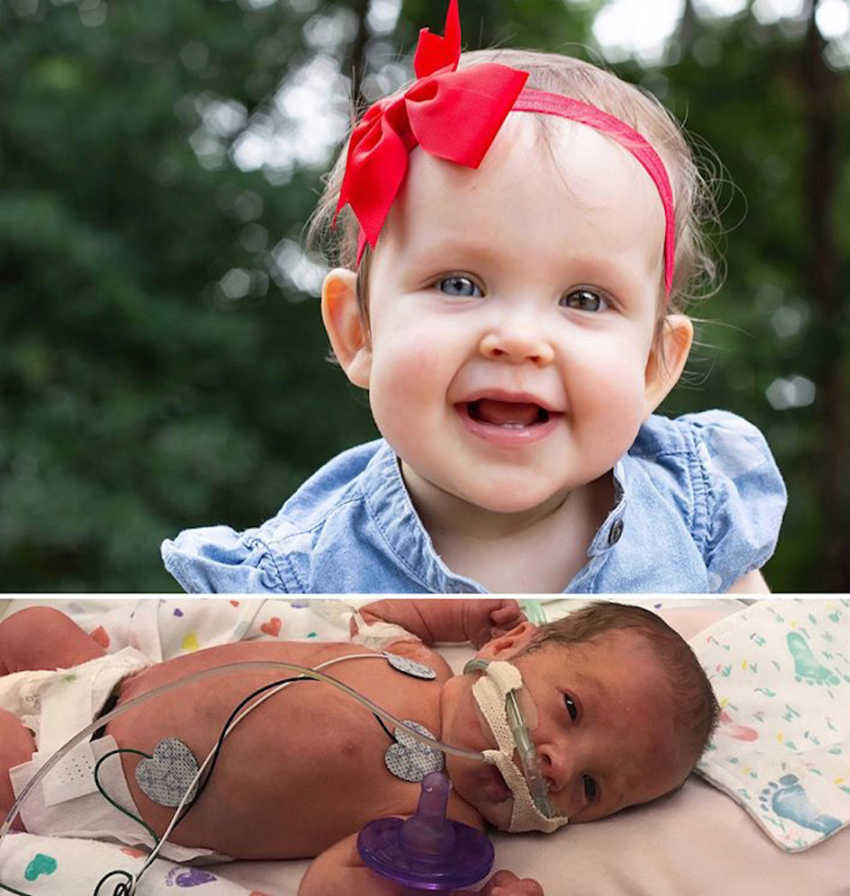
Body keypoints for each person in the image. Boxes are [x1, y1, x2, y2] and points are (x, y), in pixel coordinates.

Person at [161, 0, 786, 594]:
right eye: (460, 285)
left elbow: (789, 691)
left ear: (654, 365)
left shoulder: (696, 512)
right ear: (359, 331)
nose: (518, 338)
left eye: (585, 299)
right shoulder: (299, 577)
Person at [0, 599, 719, 896]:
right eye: (569, 709)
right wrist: (460, 613)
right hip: (107, 681)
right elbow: (373, 613)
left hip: (93, 789)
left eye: (591, 789)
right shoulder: (415, 660)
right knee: (28, 625)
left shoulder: (440, 830)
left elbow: (330, 886)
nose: (560, 764)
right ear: (505, 646)